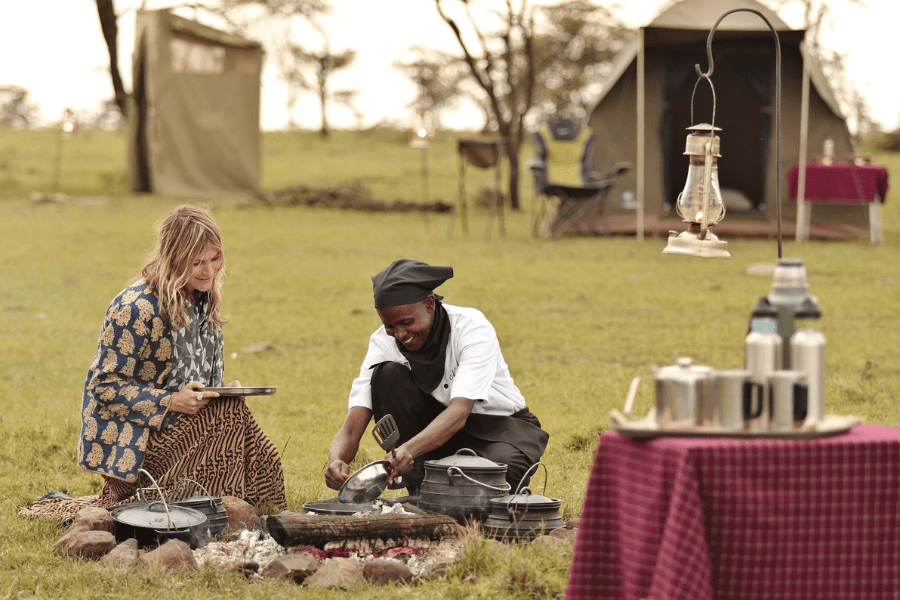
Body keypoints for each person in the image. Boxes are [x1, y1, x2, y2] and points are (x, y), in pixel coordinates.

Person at [19, 205, 285, 519]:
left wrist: (224, 390)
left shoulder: (203, 301)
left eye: (215, 259)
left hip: (187, 427)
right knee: (226, 420)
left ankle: (232, 507)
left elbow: (195, 381)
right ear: (173, 258)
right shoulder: (135, 307)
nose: (208, 271)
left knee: (237, 419)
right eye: (196, 262)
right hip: (139, 442)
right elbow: (103, 387)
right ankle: (159, 503)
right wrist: (172, 401)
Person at [325, 259, 548, 495]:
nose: (399, 334)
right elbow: (353, 426)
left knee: (498, 472)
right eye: (389, 325)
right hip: (435, 430)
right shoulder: (383, 342)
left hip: (499, 429)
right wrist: (336, 459)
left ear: (429, 304)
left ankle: (450, 491)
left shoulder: (471, 327)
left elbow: (460, 412)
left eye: (406, 322)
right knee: (387, 375)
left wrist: (409, 449)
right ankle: (421, 492)